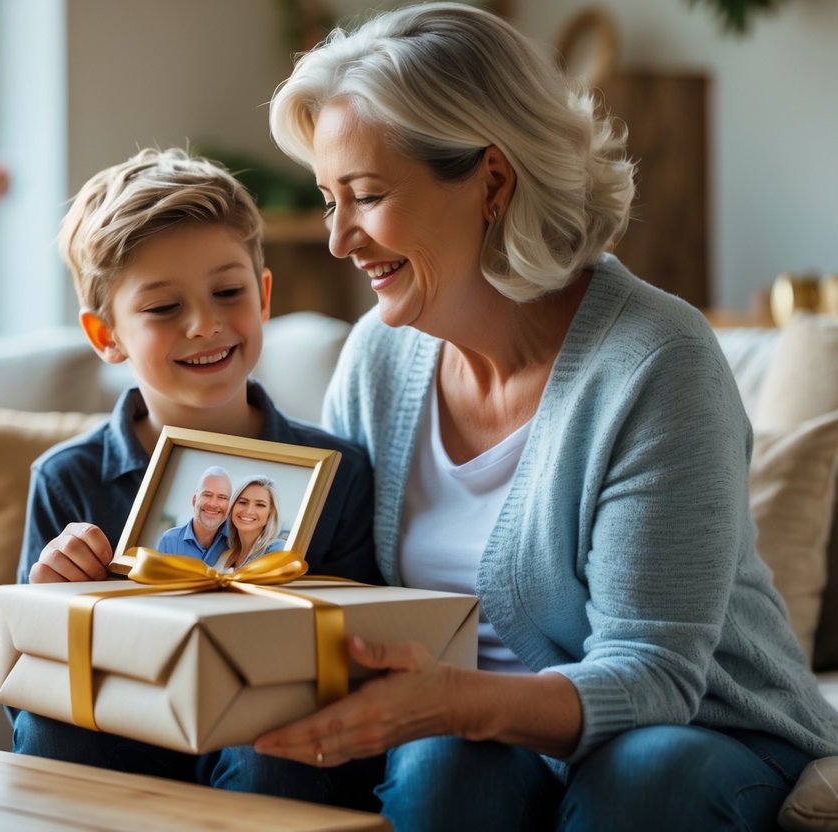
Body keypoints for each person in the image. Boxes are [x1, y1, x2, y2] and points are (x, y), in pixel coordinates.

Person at [252, 4, 838, 831]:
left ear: (492, 181)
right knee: (437, 767)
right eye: (326, 199)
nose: (340, 239)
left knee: (642, 775)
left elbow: (653, 676)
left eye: (368, 196)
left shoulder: (653, 360)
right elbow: (320, 577)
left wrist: (454, 700)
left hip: (705, 731)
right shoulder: (378, 360)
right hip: (471, 740)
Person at [12, 147, 384, 808]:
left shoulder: (341, 473)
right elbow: (28, 686)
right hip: (124, 733)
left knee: (270, 750)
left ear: (263, 295)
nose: (205, 324)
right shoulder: (67, 481)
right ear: (106, 336)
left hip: (279, 743)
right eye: (161, 308)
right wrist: (52, 600)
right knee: (48, 730)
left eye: (227, 292)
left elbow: (364, 660)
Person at [155, 466, 232, 560]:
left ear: (229, 506)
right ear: (194, 500)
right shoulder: (170, 541)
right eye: (207, 495)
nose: (213, 504)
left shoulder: (235, 544)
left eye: (222, 497)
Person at [214, 475, 286, 572]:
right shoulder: (224, 555)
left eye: (260, 505)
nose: (249, 511)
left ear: (270, 513)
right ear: (232, 506)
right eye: (243, 502)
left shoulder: (277, 550)